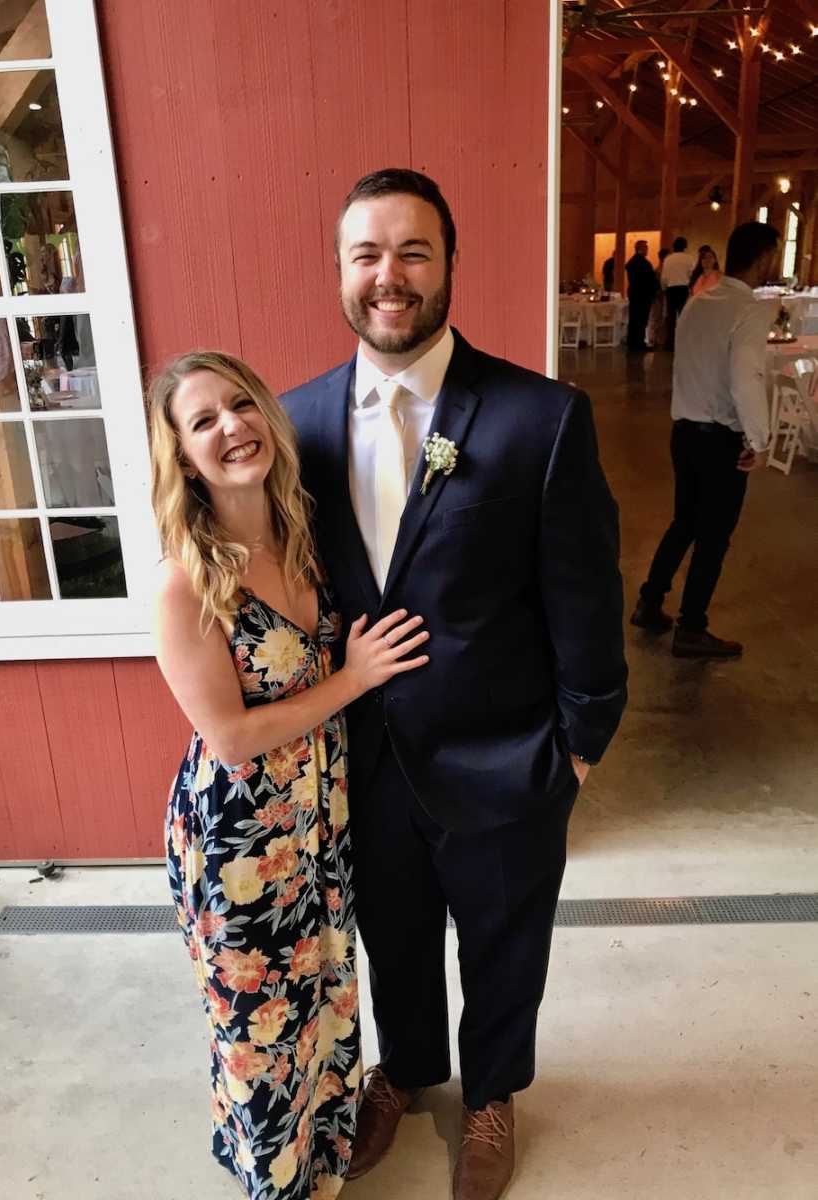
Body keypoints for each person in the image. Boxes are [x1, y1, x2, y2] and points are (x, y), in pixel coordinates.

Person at [283, 169, 627, 1200]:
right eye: (368, 254)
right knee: (391, 933)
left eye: (413, 253)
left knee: (504, 936)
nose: (390, 276)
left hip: (506, 751)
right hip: (365, 756)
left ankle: (492, 1090)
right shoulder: (291, 424)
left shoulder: (541, 418)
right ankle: (412, 1068)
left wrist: (580, 741)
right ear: (342, 271)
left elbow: (584, 587)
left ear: (448, 266)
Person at [149, 351, 429, 1200]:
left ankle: (328, 1163)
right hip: (241, 846)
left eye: (240, 404)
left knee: (327, 1001)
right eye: (204, 422)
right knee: (261, 1036)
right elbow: (229, 739)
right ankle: (280, 1184)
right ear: (185, 459)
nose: (232, 427)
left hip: (319, 820)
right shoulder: (187, 582)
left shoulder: (304, 536)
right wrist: (353, 680)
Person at [631, 220, 781, 658]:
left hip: (685, 431)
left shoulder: (699, 302)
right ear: (764, 258)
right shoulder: (750, 309)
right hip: (720, 440)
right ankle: (692, 628)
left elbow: (687, 367)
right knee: (713, 537)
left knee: (685, 523)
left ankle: (650, 600)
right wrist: (758, 438)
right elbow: (745, 377)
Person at [661, 235, 697, 350]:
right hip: (683, 289)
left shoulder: (668, 259)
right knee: (684, 316)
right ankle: (683, 341)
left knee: (670, 317)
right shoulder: (689, 258)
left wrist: (664, 288)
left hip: (670, 289)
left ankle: (670, 342)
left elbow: (664, 278)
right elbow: (692, 275)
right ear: (685, 247)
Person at [625, 239, 658, 351]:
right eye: (645, 247)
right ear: (640, 248)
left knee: (634, 318)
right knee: (641, 319)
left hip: (634, 294)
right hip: (643, 295)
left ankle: (632, 342)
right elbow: (650, 279)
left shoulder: (632, 262)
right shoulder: (644, 263)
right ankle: (639, 343)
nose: (647, 250)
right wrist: (654, 291)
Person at [646, 247, 672, 349]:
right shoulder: (659, 270)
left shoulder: (660, 269)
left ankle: (658, 339)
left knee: (660, 318)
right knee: (657, 318)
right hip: (659, 297)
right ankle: (654, 339)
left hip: (661, 296)